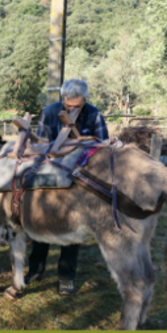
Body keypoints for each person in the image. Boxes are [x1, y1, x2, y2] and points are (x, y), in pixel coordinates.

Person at [24, 79, 109, 296]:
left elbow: (102, 148)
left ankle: (66, 278)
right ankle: (35, 270)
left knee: (71, 228)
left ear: (85, 101)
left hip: (78, 181)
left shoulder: (94, 114)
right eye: (68, 105)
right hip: (51, 176)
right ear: (63, 99)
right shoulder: (50, 112)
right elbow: (40, 146)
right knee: (42, 224)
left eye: (77, 107)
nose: (71, 110)